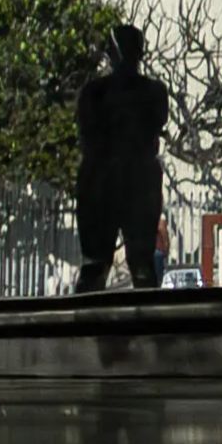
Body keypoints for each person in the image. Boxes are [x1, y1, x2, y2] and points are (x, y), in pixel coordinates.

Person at [74, 20, 173, 292]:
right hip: (128, 183)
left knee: (105, 266)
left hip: (107, 184)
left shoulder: (94, 94)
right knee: (133, 266)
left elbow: (87, 134)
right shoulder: (152, 92)